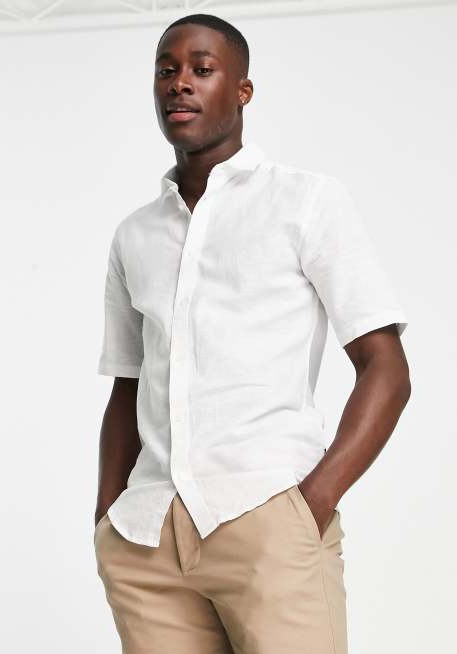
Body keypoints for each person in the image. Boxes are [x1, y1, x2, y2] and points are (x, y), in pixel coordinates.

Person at [93, 12, 410, 654]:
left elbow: (386, 369)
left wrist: (311, 504)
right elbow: (128, 385)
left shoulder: (306, 202)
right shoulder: (135, 235)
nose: (180, 83)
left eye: (202, 69)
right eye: (166, 70)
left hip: (265, 517)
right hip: (147, 536)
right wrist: (106, 517)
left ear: (242, 91)